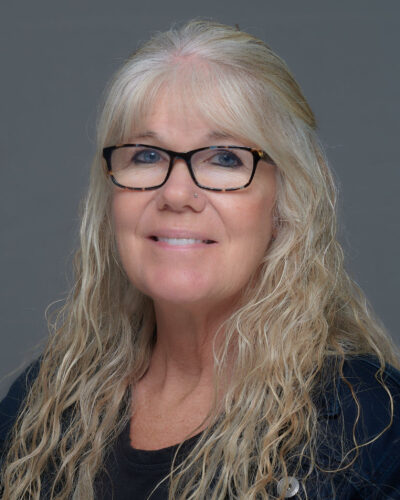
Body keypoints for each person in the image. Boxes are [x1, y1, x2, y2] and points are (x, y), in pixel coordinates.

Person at [1, 20, 400, 500]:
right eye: (147, 155)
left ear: (287, 199)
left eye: (225, 158)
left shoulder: (372, 428)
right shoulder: (42, 406)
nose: (175, 192)